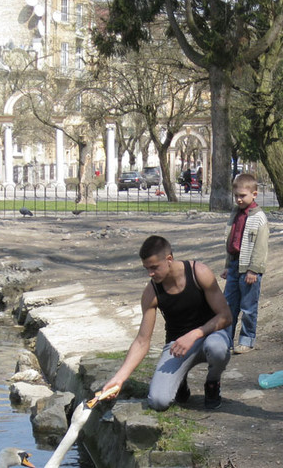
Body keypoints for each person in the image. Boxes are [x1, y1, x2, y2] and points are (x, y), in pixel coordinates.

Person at [98, 236, 233, 411]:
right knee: (158, 401)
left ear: (169, 259)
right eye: (146, 269)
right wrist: (119, 378)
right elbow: (142, 341)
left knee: (218, 348)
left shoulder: (199, 272)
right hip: (177, 346)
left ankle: (213, 382)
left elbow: (226, 316)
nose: (150, 274)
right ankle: (180, 381)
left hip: (210, 334)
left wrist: (195, 334)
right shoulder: (151, 293)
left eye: (154, 267)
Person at [220, 173, 269, 355]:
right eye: (236, 196)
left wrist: (254, 270)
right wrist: (227, 265)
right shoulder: (235, 213)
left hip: (249, 269)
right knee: (228, 305)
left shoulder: (259, 217)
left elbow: (260, 246)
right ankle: (226, 340)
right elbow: (231, 241)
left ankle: (247, 340)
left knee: (248, 307)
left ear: (254, 194)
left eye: (243, 196)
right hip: (234, 266)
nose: (239, 199)